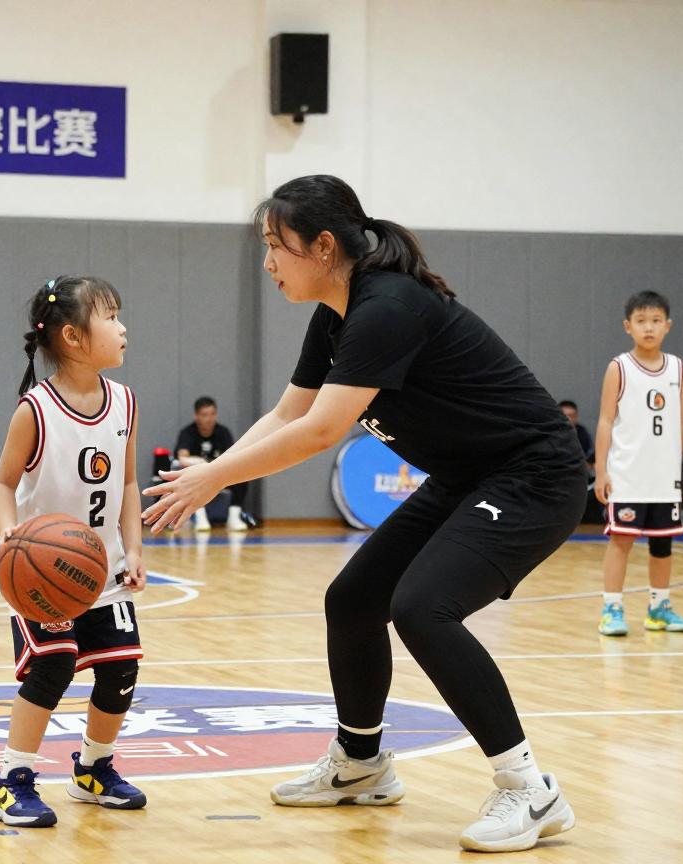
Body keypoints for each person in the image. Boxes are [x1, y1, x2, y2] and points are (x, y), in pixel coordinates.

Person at [142, 175, 584, 853]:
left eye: (277, 245)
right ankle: (360, 763)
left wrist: (215, 478)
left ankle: (530, 788)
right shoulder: (335, 316)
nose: (268, 262)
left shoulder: (388, 308)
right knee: (352, 600)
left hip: (534, 477)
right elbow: (288, 414)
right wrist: (213, 474)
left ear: (323, 247)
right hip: (466, 477)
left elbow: (321, 431)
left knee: (423, 608)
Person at [0, 276, 147, 828]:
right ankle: (11, 780)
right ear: (75, 337)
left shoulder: (124, 402)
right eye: (112, 317)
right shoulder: (35, 410)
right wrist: (10, 534)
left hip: (106, 571)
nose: (123, 328)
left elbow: (128, 484)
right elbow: (2, 484)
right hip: (44, 575)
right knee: (53, 667)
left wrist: (134, 548)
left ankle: (93, 769)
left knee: (121, 668)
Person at [594, 292, 683, 637]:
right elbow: (605, 421)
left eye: (656, 321)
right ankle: (612, 609)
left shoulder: (678, 368)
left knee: (662, 545)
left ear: (668, 325)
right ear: (628, 326)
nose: (649, 328)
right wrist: (601, 470)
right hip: (627, 476)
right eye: (641, 321)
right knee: (621, 542)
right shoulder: (619, 367)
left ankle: (659, 608)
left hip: (665, 477)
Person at [175, 396, 252, 531]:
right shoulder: (188, 433)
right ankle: (200, 516)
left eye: (212, 414)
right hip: (198, 475)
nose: (209, 419)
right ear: (196, 416)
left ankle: (234, 515)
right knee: (187, 475)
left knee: (242, 473)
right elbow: (182, 457)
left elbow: (232, 457)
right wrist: (200, 463)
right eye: (205, 415)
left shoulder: (223, 432)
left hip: (219, 473)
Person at [558, 400, 595, 473]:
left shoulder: (582, 433)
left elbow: (591, 455)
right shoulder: (550, 433)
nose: (568, 419)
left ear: (576, 416)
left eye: (571, 416)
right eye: (564, 416)